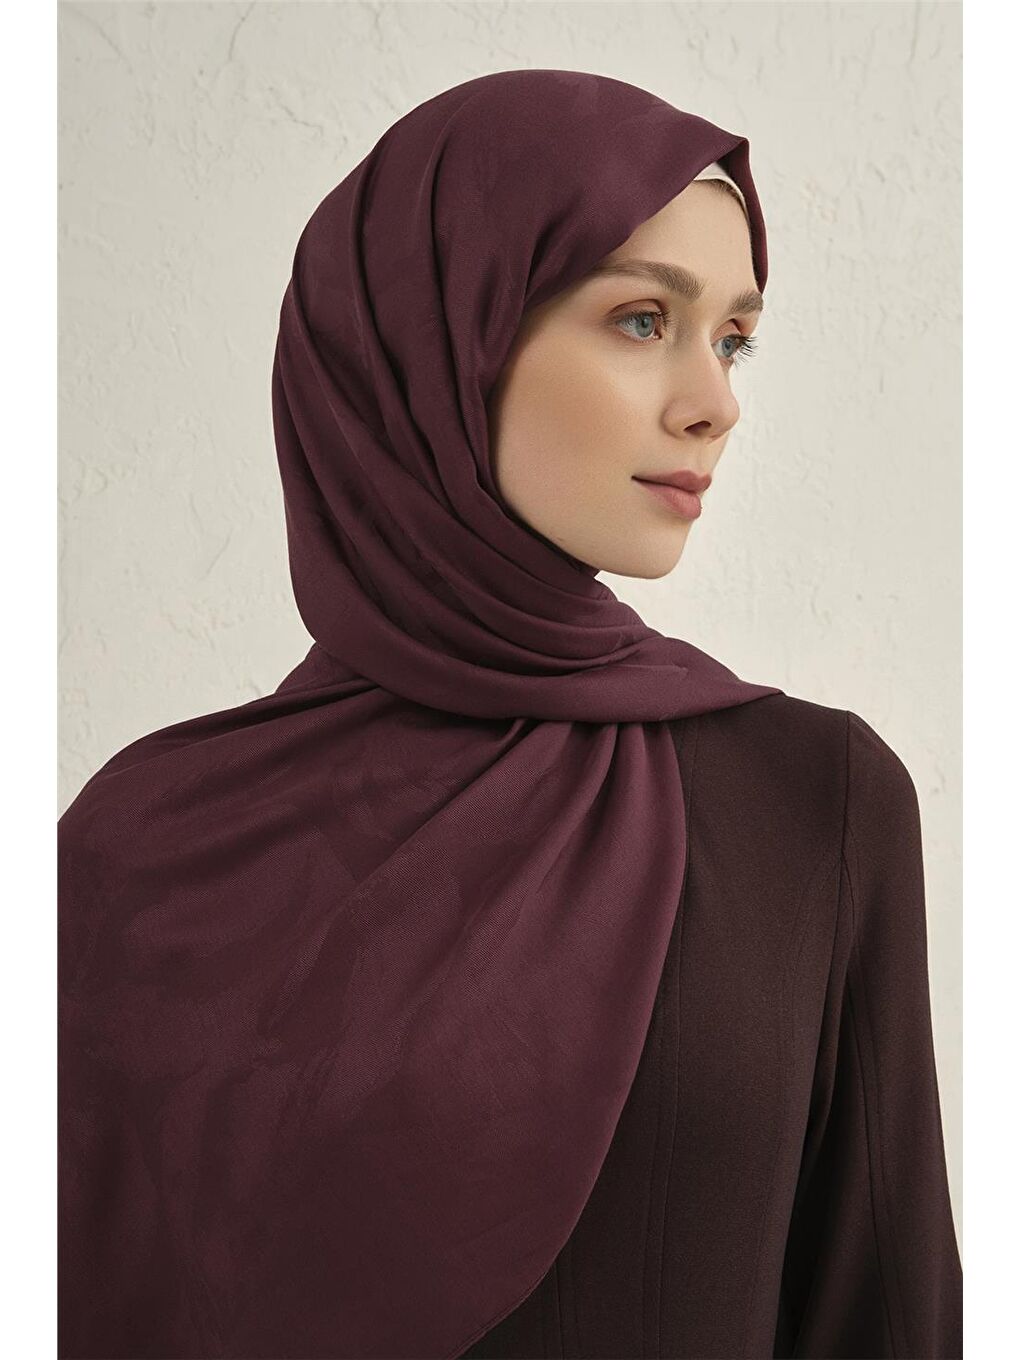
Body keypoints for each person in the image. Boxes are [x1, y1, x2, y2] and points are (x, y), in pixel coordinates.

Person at [58, 69, 962, 1359]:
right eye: (643, 319)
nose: (717, 402)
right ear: (435, 343)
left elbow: (883, 1312)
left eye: (734, 337)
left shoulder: (816, 801)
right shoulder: (137, 854)